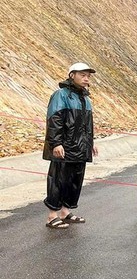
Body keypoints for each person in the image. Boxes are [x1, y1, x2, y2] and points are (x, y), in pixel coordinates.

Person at [43, 63, 99, 229]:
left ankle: (65, 212)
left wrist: (91, 143)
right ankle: (52, 216)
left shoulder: (85, 98)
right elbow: (54, 120)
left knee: (75, 180)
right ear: (72, 75)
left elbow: (87, 125)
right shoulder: (61, 95)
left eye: (88, 75)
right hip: (64, 147)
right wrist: (56, 143)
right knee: (58, 179)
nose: (86, 78)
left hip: (80, 147)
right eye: (82, 75)